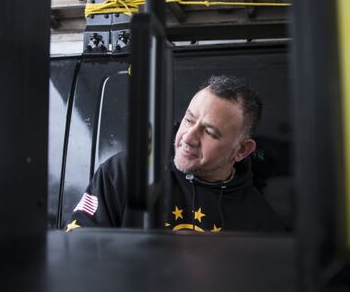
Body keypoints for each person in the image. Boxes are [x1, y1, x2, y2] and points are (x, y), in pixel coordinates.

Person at [65, 75, 284, 233]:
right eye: (189, 120)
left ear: (241, 150)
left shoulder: (259, 222)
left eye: (209, 132)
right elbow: (77, 250)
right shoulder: (125, 173)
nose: (189, 137)